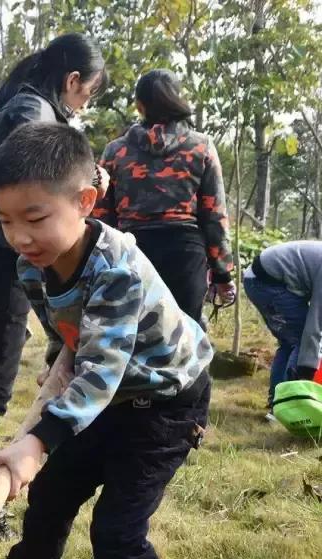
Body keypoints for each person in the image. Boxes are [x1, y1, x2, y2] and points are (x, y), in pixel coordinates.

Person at [0, 122, 212, 559]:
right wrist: (42, 425)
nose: (19, 235)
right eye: (5, 220)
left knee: (117, 533)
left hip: (163, 402)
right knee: (53, 490)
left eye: (34, 217)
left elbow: (101, 370)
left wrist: (38, 439)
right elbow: (71, 345)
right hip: (104, 394)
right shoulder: (33, 266)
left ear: (85, 202)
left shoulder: (117, 267)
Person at [0, 33, 108, 459]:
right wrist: (88, 182)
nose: (84, 105)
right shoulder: (32, 111)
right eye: (88, 94)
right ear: (73, 80)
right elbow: (29, 185)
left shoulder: (20, 103)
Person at [93, 69, 235, 322]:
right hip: (185, 256)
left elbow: (102, 215)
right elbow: (214, 214)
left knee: (133, 334)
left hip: (132, 250)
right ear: (177, 98)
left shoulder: (116, 151)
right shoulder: (201, 146)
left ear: (139, 105)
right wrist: (222, 274)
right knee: (186, 339)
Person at [243, 240, 322, 412]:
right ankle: (291, 405)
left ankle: (277, 403)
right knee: (302, 340)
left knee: (289, 342)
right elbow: (314, 325)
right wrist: (306, 372)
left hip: (258, 279)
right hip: (266, 282)